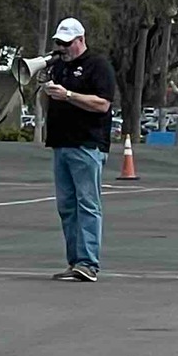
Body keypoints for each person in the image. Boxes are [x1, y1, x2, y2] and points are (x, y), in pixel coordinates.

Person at [41, 17, 116, 282]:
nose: (62, 48)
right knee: (66, 206)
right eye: (59, 43)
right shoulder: (59, 67)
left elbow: (103, 104)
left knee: (87, 203)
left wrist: (69, 95)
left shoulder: (98, 66)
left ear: (81, 40)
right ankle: (75, 262)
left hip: (87, 144)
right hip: (62, 143)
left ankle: (88, 262)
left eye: (67, 43)